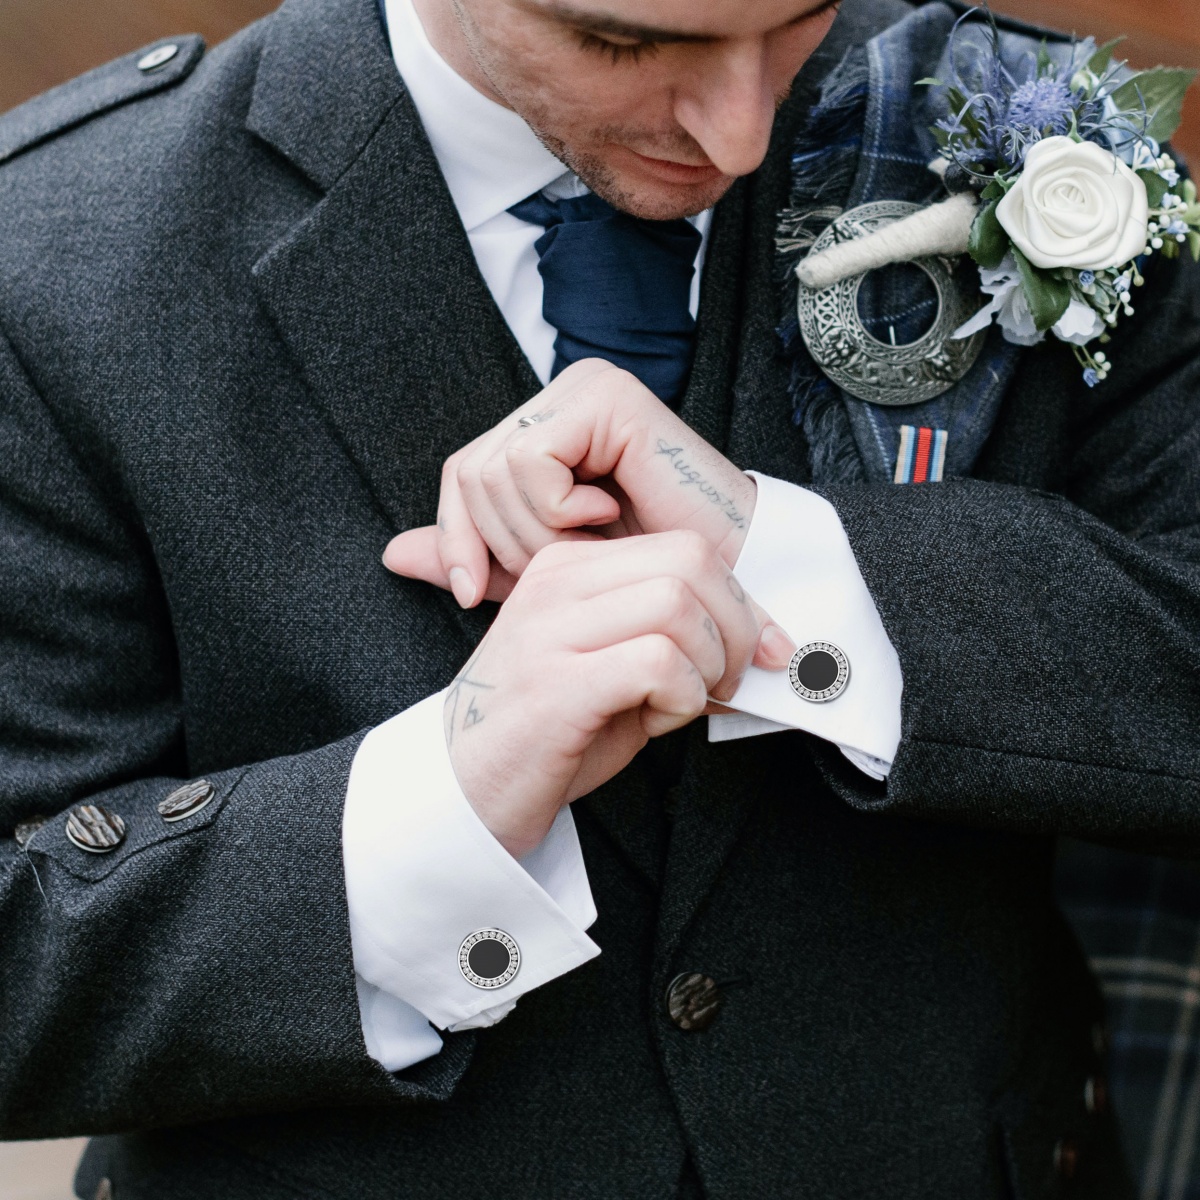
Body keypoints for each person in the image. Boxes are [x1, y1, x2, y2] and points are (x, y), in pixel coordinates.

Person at [0, 0, 1197, 1194]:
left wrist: (794, 571)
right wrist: (440, 805)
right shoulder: (58, 256)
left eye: (798, 22)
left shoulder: (1027, 132)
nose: (736, 134)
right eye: (624, 45)